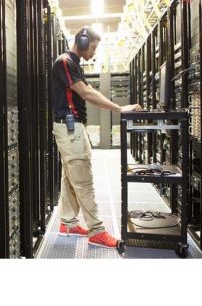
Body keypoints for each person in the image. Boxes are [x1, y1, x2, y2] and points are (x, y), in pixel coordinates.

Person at [50, 26, 142, 248]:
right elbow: (87, 93)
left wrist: (117, 107)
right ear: (81, 42)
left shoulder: (73, 64)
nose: (93, 52)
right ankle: (97, 230)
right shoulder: (65, 61)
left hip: (71, 128)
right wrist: (120, 109)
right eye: (92, 47)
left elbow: (91, 91)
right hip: (69, 128)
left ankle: (69, 223)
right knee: (83, 180)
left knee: (71, 178)